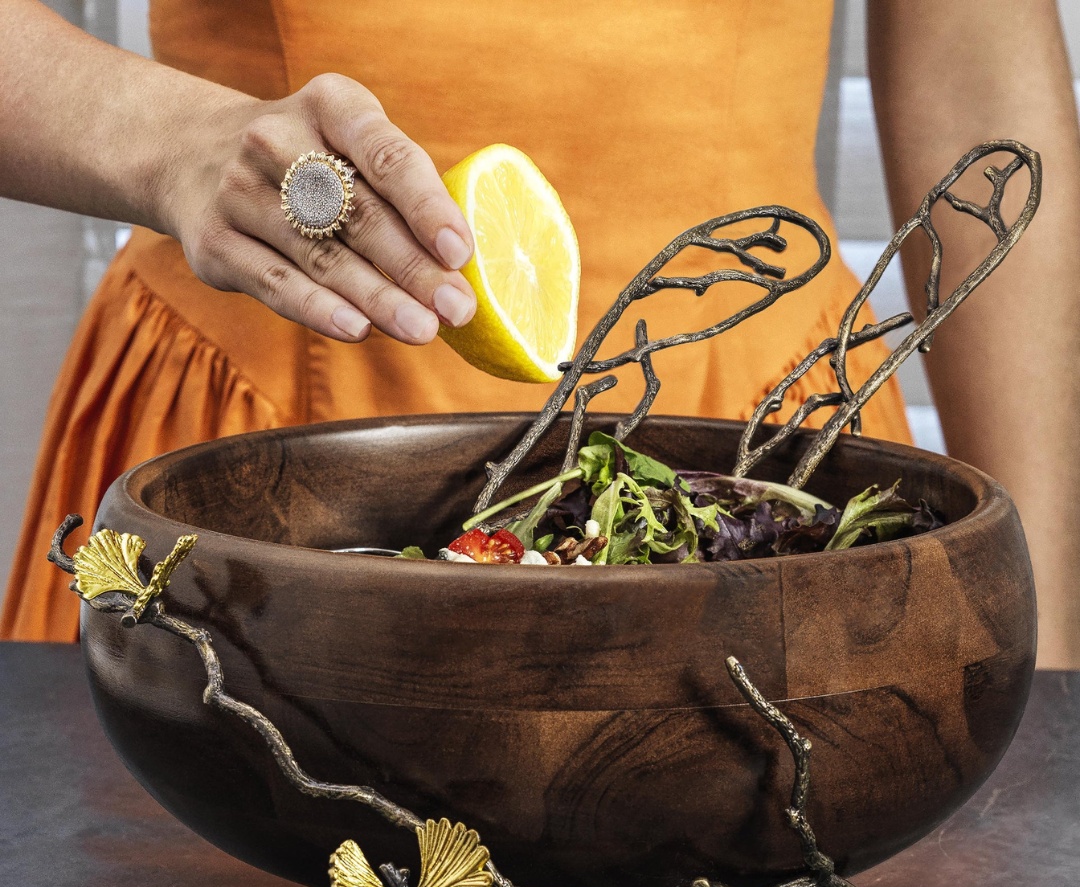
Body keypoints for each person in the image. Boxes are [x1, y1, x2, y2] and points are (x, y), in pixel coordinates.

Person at [0, 0, 1076, 668]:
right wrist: (168, 140)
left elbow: (981, 65)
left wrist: (1040, 637)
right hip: (262, 450)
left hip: (760, 442)